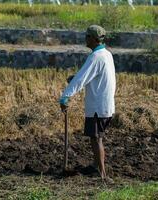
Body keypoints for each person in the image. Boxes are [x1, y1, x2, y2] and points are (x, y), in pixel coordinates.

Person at [59, 25, 116, 183]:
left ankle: (102, 174)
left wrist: (65, 97)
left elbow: (82, 79)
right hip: (106, 105)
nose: (85, 39)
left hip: (98, 106)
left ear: (93, 38)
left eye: (87, 36)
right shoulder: (106, 55)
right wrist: (76, 78)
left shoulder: (95, 57)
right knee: (96, 137)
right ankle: (96, 166)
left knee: (96, 137)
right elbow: (89, 75)